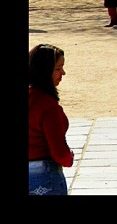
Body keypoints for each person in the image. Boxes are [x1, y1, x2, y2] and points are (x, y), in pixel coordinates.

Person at [29, 44, 73, 195]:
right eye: (58, 69)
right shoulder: (47, 106)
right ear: (45, 71)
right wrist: (69, 158)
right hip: (42, 176)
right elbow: (59, 151)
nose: (63, 73)